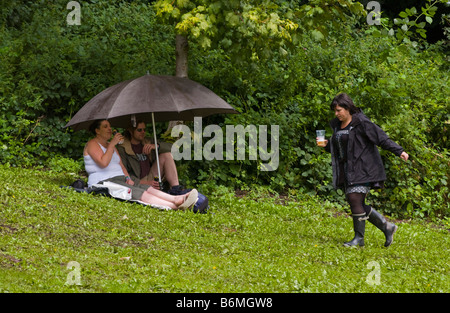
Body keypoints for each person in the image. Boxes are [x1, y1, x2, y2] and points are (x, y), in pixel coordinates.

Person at [318, 93, 409, 247]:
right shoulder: (336, 125)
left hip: (365, 167)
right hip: (347, 170)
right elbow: (341, 149)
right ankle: (387, 227)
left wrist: (399, 151)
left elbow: (381, 138)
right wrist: (327, 145)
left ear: (347, 108)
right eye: (334, 110)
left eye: (339, 110)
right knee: (356, 202)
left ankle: (359, 239)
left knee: (354, 199)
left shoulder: (362, 123)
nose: (336, 114)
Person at [83, 119, 198, 210]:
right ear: (97, 131)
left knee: (147, 188)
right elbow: (103, 163)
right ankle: (175, 206)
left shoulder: (112, 145)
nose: (110, 129)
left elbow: (121, 166)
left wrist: (127, 178)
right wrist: (113, 144)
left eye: (109, 126)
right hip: (105, 181)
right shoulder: (93, 144)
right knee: (138, 193)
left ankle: (176, 198)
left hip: (121, 178)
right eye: (105, 126)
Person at [116, 120, 188, 195]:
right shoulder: (123, 148)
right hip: (139, 181)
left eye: (144, 129)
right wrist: (146, 183)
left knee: (166, 154)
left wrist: (157, 146)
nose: (143, 132)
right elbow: (123, 173)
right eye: (139, 130)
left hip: (152, 175)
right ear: (131, 131)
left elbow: (172, 148)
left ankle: (176, 189)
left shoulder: (148, 141)